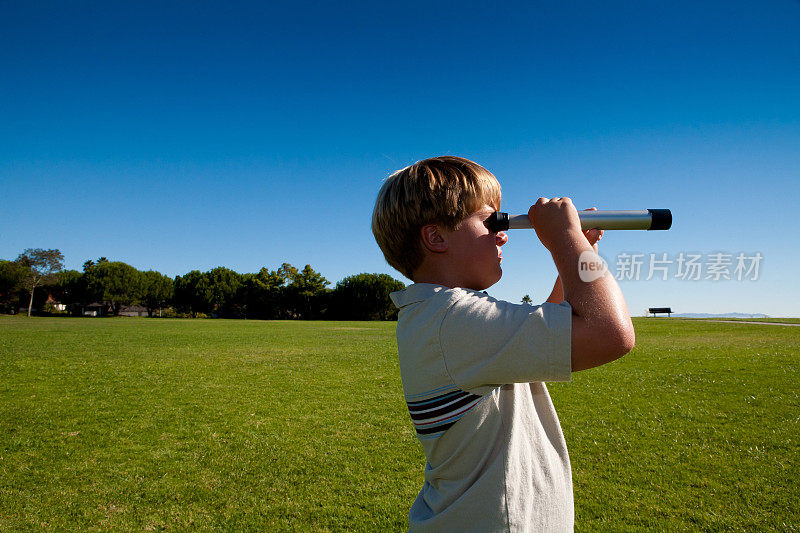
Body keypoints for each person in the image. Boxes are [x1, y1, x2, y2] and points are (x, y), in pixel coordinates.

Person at [371, 156, 635, 532]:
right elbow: (609, 333)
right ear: (436, 237)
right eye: (490, 221)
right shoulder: (453, 320)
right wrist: (566, 241)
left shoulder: (437, 316)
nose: (504, 233)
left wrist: (581, 250)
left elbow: (558, 321)